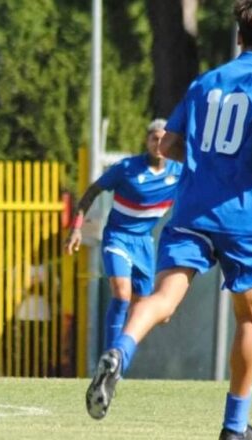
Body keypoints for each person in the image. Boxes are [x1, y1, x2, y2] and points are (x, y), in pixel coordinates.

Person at [84, 1, 252, 439]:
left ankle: (120, 353)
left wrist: (207, 164)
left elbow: (167, 144)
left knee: (166, 298)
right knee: (249, 318)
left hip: (190, 210)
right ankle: (234, 428)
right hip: (244, 215)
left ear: (239, 37)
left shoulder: (205, 82)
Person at [65, 119, 182, 358]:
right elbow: (91, 192)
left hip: (145, 244)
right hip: (117, 237)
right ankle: (109, 358)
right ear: (147, 141)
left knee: (147, 310)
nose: (159, 143)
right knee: (121, 294)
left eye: (163, 138)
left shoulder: (179, 171)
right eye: (154, 138)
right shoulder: (126, 168)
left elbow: (212, 185)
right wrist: (76, 228)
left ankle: (120, 360)